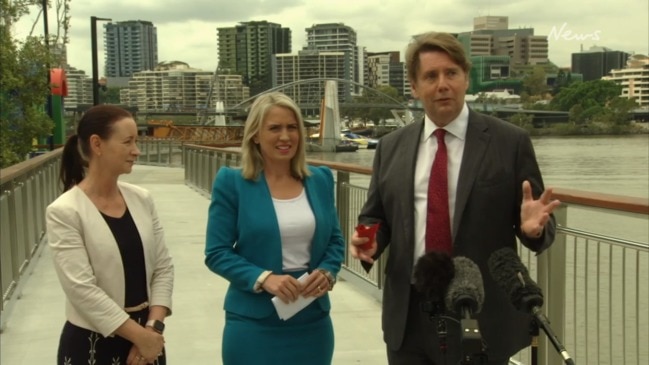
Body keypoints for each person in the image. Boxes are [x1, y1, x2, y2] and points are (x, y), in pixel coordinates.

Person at [349, 32, 561, 365]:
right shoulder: (391, 147)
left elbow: (538, 221)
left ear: (465, 79)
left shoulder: (510, 142)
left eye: (451, 73)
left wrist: (533, 229)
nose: (442, 84)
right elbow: (376, 217)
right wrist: (369, 240)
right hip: (409, 316)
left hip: (480, 312)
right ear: (415, 87)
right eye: (430, 76)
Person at [204, 91, 345, 365]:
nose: (285, 136)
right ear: (255, 135)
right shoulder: (232, 183)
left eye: (292, 127)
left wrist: (328, 271)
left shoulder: (321, 180)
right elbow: (217, 252)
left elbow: (335, 241)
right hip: (253, 324)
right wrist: (264, 278)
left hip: (312, 321)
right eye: (274, 128)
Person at [46, 105, 174, 365]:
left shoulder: (142, 199)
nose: (136, 151)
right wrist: (140, 336)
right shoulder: (64, 211)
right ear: (97, 144)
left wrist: (152, 330)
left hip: (148, 343)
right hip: (92, 344)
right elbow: (81, 289)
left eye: (136, 141)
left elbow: (163, 267)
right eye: (128, 142)